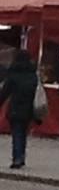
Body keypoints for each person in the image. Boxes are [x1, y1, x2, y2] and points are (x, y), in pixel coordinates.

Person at [1, 37, 39, 170]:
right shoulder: (33, 75)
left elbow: (5, 92)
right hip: (28, 109)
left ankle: (17, 158)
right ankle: (21, 156)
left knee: (16, 133)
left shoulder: (13, 74)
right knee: (23, 133)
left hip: (15, 108)